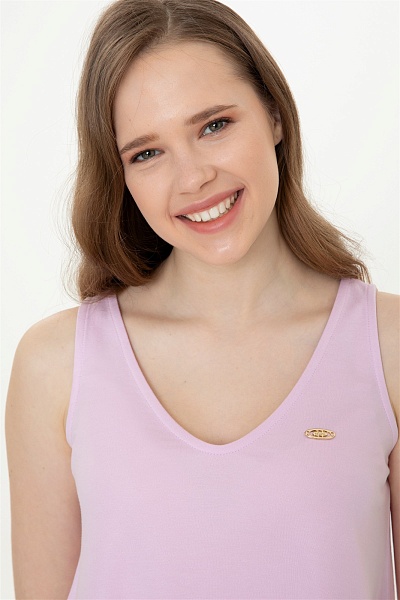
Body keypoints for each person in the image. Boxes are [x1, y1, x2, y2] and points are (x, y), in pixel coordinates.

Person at [5, 0, 399, 598]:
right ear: (120, 175)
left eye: (213, 125)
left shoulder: (387, 346)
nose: (192, 178)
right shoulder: (55, 366)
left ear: (274, 114)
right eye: (147, 153)